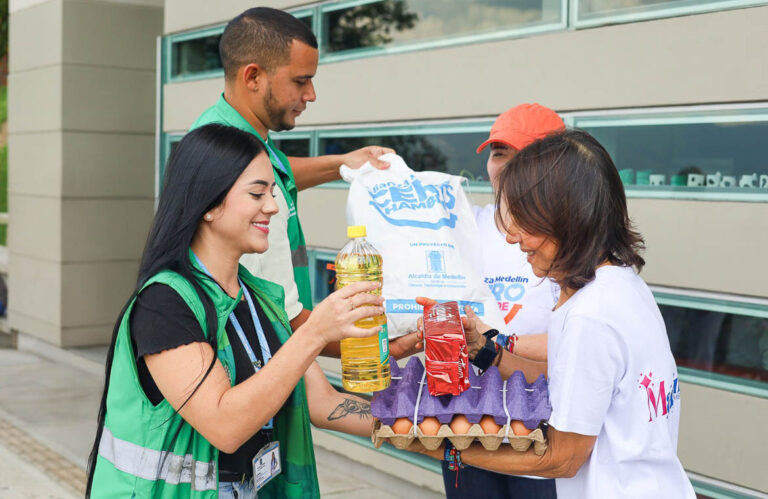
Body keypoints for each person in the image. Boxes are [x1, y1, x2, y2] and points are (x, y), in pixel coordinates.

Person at [86, 125, 386, 499]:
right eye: (257, 193)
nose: (273, 207)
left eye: (273, 193)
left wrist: (417, 425)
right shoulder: (164, 304)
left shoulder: (261, 298)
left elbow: (321, 402)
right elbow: (225, 424)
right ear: (208, 204)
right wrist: (314, 333)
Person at [414, 129, 696, 498]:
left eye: (523, 219)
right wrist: (487, 351)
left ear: (566, 217)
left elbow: (562, 459)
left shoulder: (590, 315)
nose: (513, 237)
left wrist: (446, 447)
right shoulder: (621, 284)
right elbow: (570, 383)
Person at [190, 7, 420, 359]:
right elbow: (285, 319)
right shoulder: (248, 187)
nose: (311, 94)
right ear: (253, 77)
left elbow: (277, 170)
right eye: (300, 80)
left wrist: (340, 164)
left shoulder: (224, 142)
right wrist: (386, 344)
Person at [437, 104, 565, 498]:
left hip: (542, 429)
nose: (505, 166)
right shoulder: (466, 226)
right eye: (498, 153)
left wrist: (493, 347)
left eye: (521, 155)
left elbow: (572, 346)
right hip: (468, 423)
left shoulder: (570, 239)